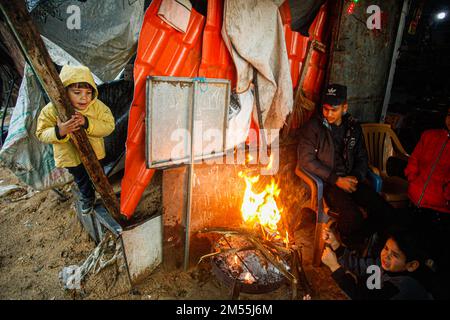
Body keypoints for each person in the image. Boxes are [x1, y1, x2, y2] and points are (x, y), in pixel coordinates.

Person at [297, 84, 393, 250]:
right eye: (325, 109)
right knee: (352, 217)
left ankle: (354, 245)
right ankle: (346, 250)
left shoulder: (353, 127)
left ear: (344, 107)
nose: (328, 114)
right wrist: (336, 179)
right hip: (329, 183)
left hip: (351, 180)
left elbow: (362, 156)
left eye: (333, 110)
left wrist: (356, 176)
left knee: (384, 211)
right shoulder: (314, 127)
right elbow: (306, 159)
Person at [36, 65, 115, 214]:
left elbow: (109, 126)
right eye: (77, 92)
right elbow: (41, 133)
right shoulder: (51, 110)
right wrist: (60, 131)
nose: (84, 97)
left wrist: (87, 123)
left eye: (88, 92)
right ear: (64, 90)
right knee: (82, 179)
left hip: (95, 153)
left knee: (99, 175)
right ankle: (88, 197)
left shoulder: (97, 107)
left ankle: (106, 195)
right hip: (70, 157)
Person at [403, 107, 450, 298]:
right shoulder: (430, 136)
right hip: (415, 199)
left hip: (440, 209)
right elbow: (414, 160)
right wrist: (412, 178)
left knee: (431, 249)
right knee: (411, 240)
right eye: (449, 115)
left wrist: (445, 195)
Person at [321, 225, 434, 300]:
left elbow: (362, 298)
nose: (386, 255)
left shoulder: (403, 286)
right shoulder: (383, 265)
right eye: (386, 248)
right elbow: (359, 266)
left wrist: (335, 268)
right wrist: (336, 245)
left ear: (411, 265)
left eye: (394, 255)